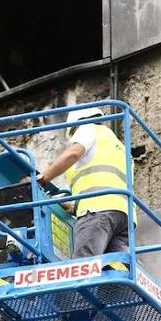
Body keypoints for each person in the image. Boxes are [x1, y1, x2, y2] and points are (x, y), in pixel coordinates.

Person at [37, 108, 134, 261]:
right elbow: (103, 181)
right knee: (114, 269)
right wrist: (73, 207)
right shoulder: (119, 147)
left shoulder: (87, 128)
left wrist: (42, 179)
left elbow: (73, 153)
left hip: (98, 210)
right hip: (124, 216)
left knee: (83, 265)